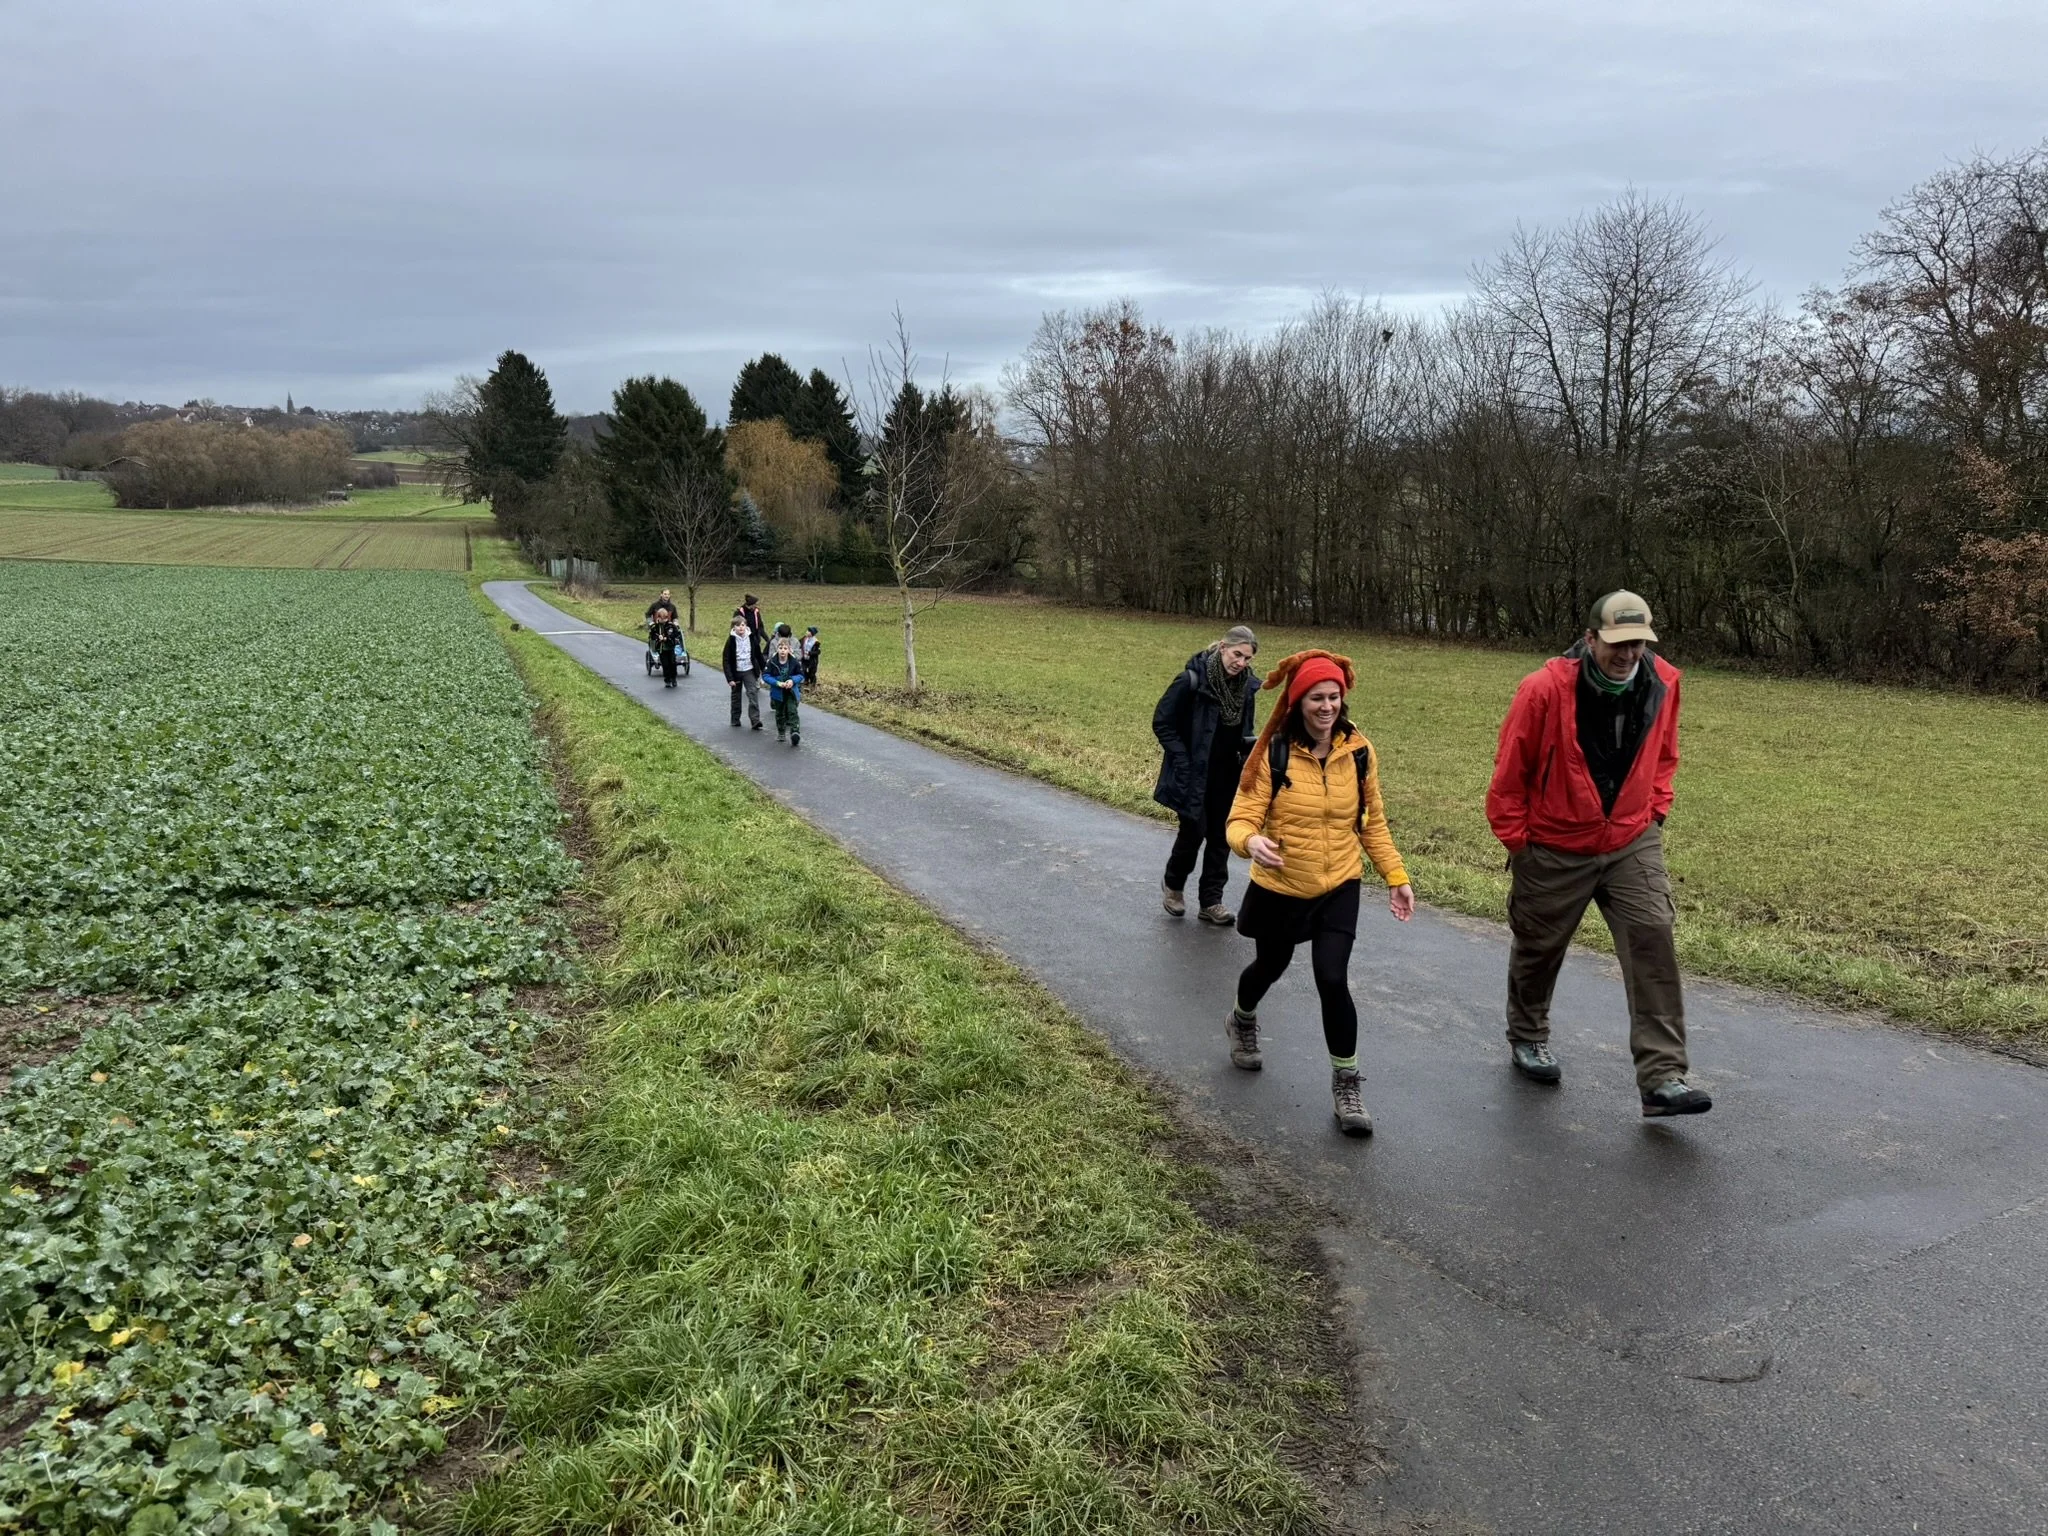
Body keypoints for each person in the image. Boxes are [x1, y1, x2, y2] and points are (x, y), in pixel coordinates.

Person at [1485, 590, 1711, 1118]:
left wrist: (1656, 811)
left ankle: (1662, 1077)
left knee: (1652, 936)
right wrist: (1520, 843)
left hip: (1631, 838)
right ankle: (1528, 1035)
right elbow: (1510, 771)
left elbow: (1666, 755)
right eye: (1617, 643)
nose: (1628, 654)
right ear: (1590, 639)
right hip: (1554, 843)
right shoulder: (1544, 689)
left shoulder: (1664, 681)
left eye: (1638, 643)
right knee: (1540, 946)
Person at [1225, 651, 1415, 1137]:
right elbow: (1240, 818)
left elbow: (1372, 823)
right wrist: (1251, 842)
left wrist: (1396, 876)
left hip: (1339, 884)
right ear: (1297, 702)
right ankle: (1242, 1019)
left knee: (1332, 978)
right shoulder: (1274, 753)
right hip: (1283, 883)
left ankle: (1347, 1084)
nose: (1326, 706)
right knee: (1270, 965)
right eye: (1316, 698)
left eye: (1333, 697)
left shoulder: (1360, 752)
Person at [1152, 625, 1261, 924]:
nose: (1240, 662)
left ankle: (1211, 901)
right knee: (1193, 832)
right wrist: (1182, 759)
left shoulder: (1246, 687)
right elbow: (1162, 722)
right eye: (1237, 654)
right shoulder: (1192, 680)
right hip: (1194, 773)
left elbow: (1246, 729)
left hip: (1228, 774)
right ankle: (1174, 885)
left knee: (1221, 837)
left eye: (1247, 658)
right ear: (1223, 647)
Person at [721, 610, 763, 730]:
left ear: (746, 626)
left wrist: (763, 669)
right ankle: (735, 719)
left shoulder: (751, 638)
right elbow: (726, 660)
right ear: (733, 628)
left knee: (752, 693)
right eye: (738, 625)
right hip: (736, 672)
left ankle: (755, 720)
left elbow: (758, 654)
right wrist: (730, 678)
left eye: (743, 625)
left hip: (749, 669)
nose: (741, 628)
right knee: (736, 697)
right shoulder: (731, 641)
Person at [762, 632, 804, 747]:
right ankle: (781, 732)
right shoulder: (772, 662)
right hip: (778, 692)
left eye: (785, 648)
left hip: (791, 691)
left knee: (792, 711)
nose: (782, 651)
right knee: (780, 713)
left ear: (789, 650)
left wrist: (792, 681)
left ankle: (795, 732)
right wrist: (777, 683)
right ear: (777, 649)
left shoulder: (793, 662)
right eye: (780, 648)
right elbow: (765, 676)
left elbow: (800, 675)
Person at [649, 606, 685, 690]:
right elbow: (652, 635)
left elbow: (676, 634)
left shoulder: (670, 626)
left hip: (670, 648)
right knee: (665, 665)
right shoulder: (655, 627)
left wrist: (667, 638)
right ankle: (667, 680)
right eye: (661, 619)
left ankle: (673, 678)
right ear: (658, 618)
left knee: (672, 663)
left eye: (665, 618)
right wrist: (658, 637)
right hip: (661, 649)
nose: (663, 620)